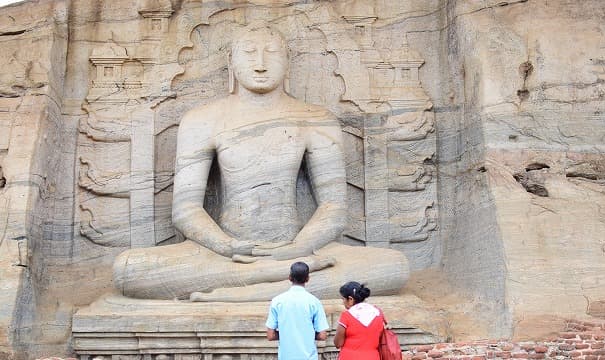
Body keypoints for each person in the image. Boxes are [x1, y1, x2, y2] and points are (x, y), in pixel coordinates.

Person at [111, 22, 409, 301]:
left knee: (393, 266)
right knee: (129, 270)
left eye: (272, 52)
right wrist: (225, 245)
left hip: (300, 249)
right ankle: (286, 281)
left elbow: (334, 208)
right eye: (250, 52)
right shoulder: (201, 120)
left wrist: (297, 248)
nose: (261, 62)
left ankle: (243, 289)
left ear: (288, 62)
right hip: (223, 255)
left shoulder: (316, 119)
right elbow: (186, 209)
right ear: (231, 62)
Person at [266, 261, 329, 360]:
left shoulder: (277, 301)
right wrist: (307, 333)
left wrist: (286, 333)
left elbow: (270, 335)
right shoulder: (314, 302)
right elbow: (322, 335)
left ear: (290, 277)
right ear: (307, 279)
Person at [333, 281, 385, 360]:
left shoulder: (347, 316)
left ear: (350, 299)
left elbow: (338, 343)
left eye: (343, 299)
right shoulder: (378, 313)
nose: (342, 302)